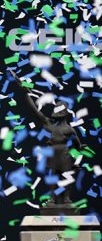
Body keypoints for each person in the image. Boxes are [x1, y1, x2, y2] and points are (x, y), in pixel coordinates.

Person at [8, 69, 83, 206]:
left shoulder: (69, 129)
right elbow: (34, 110)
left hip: (65, 156)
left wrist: (77, 158)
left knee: (67, 177)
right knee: (52, 178)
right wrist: (26, 93)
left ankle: (67, 198)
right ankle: (52, 199)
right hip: (52, 155)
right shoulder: (48, 124)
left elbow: (78, 145)